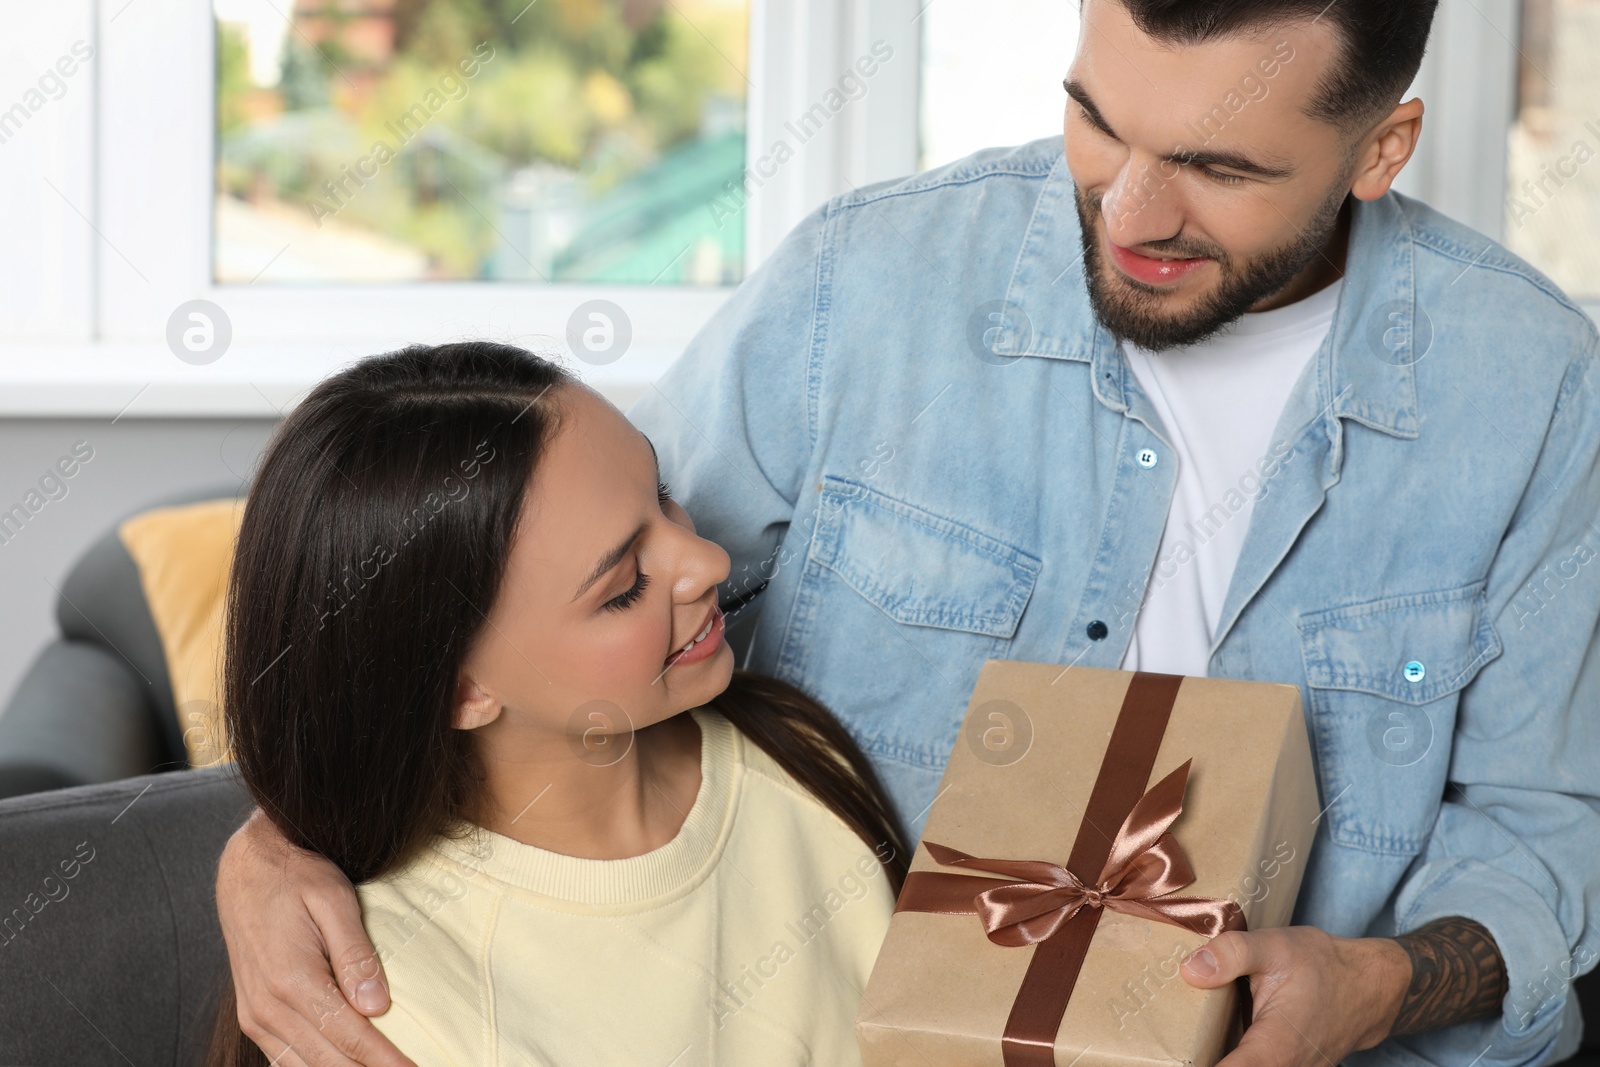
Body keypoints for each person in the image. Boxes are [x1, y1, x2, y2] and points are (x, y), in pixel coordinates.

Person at [217, 1, 1600, 1065]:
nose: (1129, 211)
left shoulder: (1533, 390)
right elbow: (520, 607)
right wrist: (278, 834)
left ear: (1382, 148)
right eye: (1097, 121)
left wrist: (1381, 986)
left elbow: (1543, 828)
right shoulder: (857, 290)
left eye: (1217, 168)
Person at [206, 342, 906, 1065]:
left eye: (663, 494)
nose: (711, 563)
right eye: (626, 584)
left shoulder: (799, 755)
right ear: (463, 691)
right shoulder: (396, 1013)